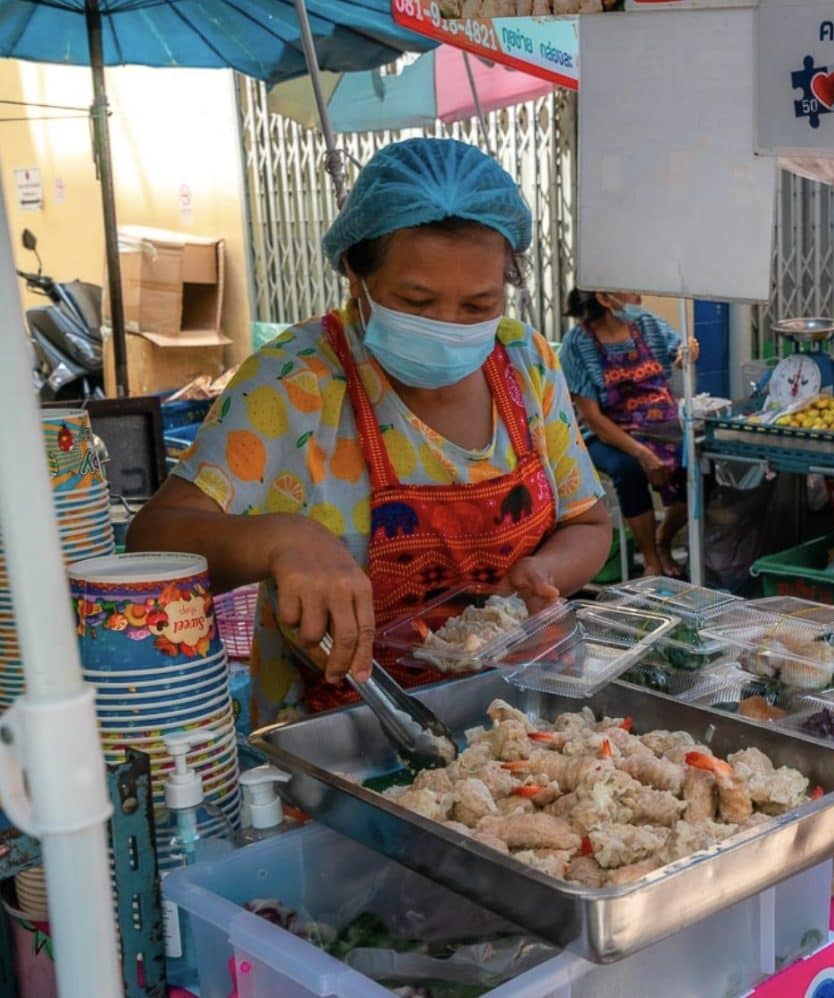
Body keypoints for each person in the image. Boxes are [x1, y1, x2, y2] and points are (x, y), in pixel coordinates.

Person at [128, 138, 612, 722]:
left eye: (478, 305)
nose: (447, 325)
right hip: (344, 733)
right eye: (418, 300)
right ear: (356, 276)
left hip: (524, 717)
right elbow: (151, 540)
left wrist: (542, 574)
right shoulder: (295, 381)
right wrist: (278, 540)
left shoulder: (525, 361)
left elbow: (587, 522)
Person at [559, 289, 697, 578]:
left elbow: (678, 352)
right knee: (629, 470)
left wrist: (687, 352)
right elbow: (593, 419)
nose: (640, 299)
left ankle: (664, 539)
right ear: (605, 299)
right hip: (606, 435)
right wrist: (642, 453)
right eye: (632, 292)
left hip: (661, 428)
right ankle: (650, 559)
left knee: (697, 465)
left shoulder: (648, 325)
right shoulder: (577, 345)